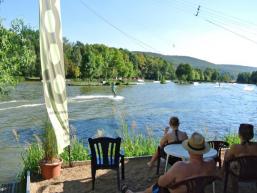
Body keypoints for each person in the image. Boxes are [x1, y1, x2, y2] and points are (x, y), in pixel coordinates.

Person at [122, 132, 216, 193]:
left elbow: (161, 183)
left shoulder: (180, 167)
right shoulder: (211, 164)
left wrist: (161, 179)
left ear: (188, 150)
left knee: (154, 188)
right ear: (203, 150)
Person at [223, 124, 257, 193]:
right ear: (252, 135)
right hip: (255, 173)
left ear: (239, 134)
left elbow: (227, 160)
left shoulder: (235, 147)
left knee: (230, 163)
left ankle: (233, 188)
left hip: (240, 175)